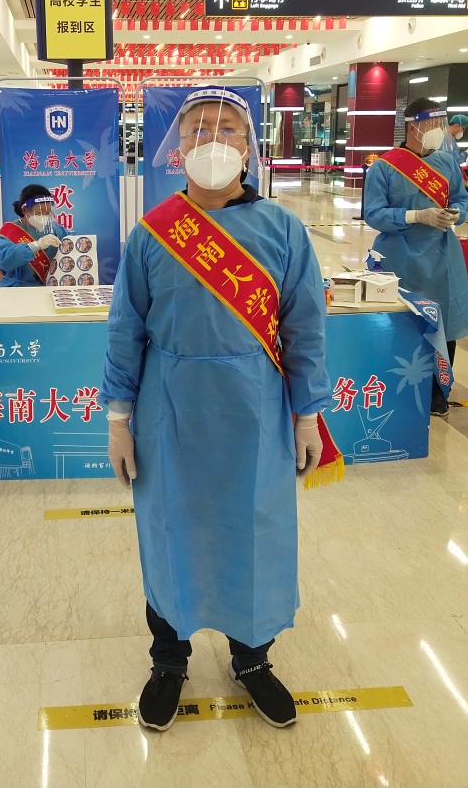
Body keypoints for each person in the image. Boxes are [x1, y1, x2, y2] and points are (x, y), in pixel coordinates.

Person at [101, 87, 330, 733]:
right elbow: (125, 330)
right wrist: (117, 419)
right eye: (198, 129)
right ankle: (168, 660)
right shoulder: (152, 233)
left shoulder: (283, 230)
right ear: (177, 149)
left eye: (227, 129)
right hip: (168, 413)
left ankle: (252, 657)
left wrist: (306, 414)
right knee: (169, 531)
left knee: (252, 528)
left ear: (249, 149)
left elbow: (305, 328)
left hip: (255, 411)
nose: (212, 140)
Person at [364, 98, 468, 418]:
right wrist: (416, 215)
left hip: (441, 254)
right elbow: (374, 213)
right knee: (403, 322)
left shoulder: (446, 163)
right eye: (433, 124)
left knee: (444, 323)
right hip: (400, 256)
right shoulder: (384, 166)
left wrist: (455, 213)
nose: (439, 130)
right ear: (414, 126)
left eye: (441, 124)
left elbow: (461, 198)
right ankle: (397, 388)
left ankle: (439, 391)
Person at [0, 184, 66, 287]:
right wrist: (36, 246)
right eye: (39, 213)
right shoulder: (9, 231)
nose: (44, 217)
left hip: (49, 287)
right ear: (24, 210)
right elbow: (4, 262)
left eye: (48, 212)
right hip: (17, 287)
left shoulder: (57, 230)